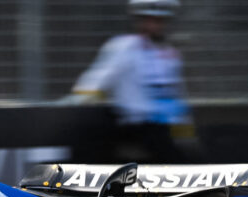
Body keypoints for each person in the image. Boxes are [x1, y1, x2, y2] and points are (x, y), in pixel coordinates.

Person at [71, 0, 193, 162]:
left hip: (158, 127)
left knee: (182, 160)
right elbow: (101, 76)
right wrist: (83, 94)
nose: (153, 26)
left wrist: (184, 129)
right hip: (126, 122)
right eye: (148, 20)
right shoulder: (124, 46)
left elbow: (176, 94)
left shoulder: (170, 54)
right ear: (139, 20)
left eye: (159, 21)